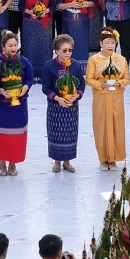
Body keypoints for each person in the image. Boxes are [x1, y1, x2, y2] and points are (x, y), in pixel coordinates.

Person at [0, 30, 33, 176]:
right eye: (10, 45)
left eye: (15, 45)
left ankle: (13, 162)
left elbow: (29, 79)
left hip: (18, 105)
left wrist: (25, 88)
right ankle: (2, 162)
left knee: (16, 134)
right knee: (1, 133)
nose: (13, 48)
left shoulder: (24, 61)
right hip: (1, 105)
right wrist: (1, 91)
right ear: (3, 47)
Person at [86, 28, 130, 170]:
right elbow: (89, 79)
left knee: (116, 126)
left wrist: (120, 83)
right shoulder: (94, 60)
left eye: (113, 42)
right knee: (101, 127)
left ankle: (114, 159)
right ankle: (103, 158)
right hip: (101, 97)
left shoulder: (121, 59)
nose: (110, 45)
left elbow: (127, 78)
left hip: (116, 98)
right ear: (101, 43)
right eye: (107, 42)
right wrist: (101, 84)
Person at [43, 34, 85, 173]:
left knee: (70, 134)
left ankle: (67, 162)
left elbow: (82, 85)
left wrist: (76, 96)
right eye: (64, 50)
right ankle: (56, 162)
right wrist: (58, 98)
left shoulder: (76, 65)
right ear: (56, 50)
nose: (68, 53)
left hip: (71, 107)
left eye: (70, 50)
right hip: (56, 106)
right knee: (56, 133)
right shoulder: (49, 66)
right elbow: (45, 88)